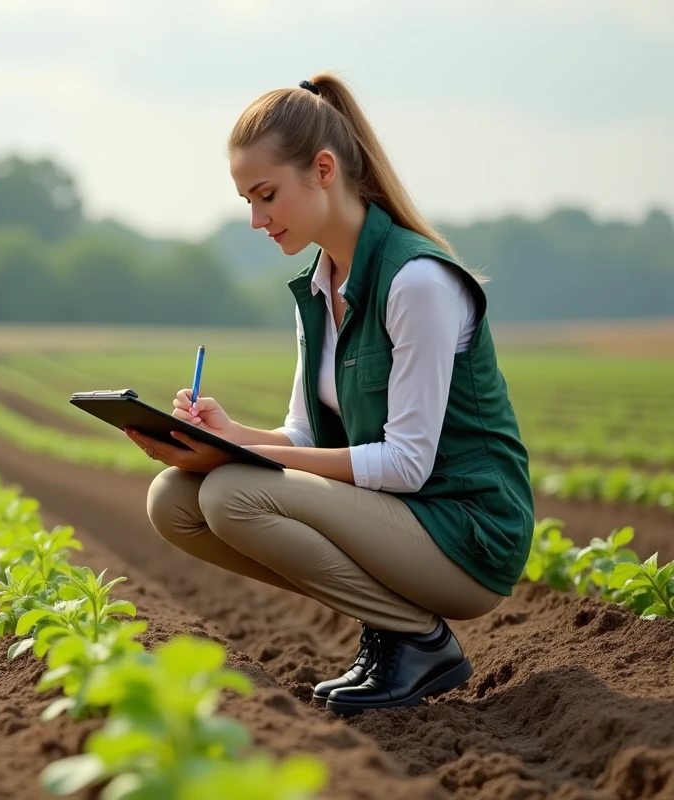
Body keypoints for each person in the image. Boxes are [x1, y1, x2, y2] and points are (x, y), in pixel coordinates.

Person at [124, 73, 533, 717]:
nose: (257, 220)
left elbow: (407, 464)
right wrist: (225, 435)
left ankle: (419, 641)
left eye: (266, 196)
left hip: (465, 531)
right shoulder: (318, 286)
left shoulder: (418, 281)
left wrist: (238, 458)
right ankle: (393, 632)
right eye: (246, 201)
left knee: (234, 494)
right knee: (174, 500)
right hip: (399, 520)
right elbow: (306, 436)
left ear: (322, 169)